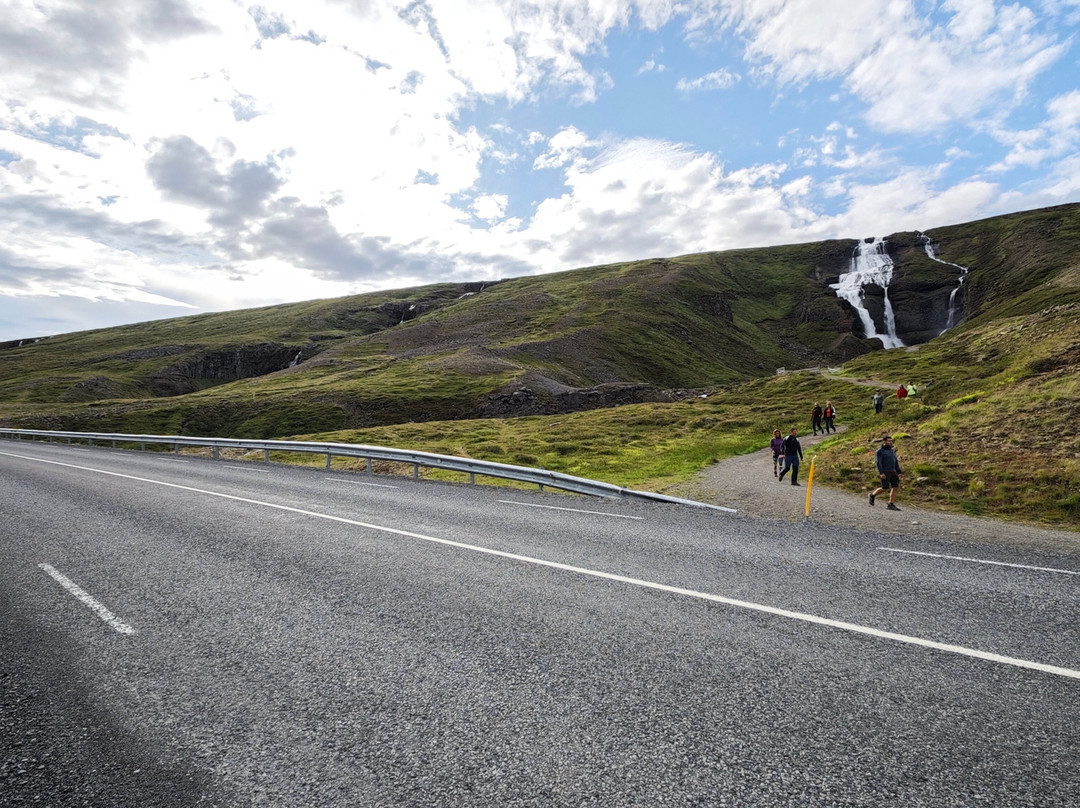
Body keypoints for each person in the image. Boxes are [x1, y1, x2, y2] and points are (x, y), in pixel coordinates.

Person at [868, 435, 903, 511]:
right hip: (885, 472)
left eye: (891, 441)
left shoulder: (892, 450)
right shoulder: (880, 451)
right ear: (884, 441)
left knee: (895, 487)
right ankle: (872, 495)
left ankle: (891, 504)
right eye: (889, 441)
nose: (891, 442)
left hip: (893, 471)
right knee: (885, 488)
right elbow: (878, 462)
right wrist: (881, 473)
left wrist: (899, 472)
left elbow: (895, 462)